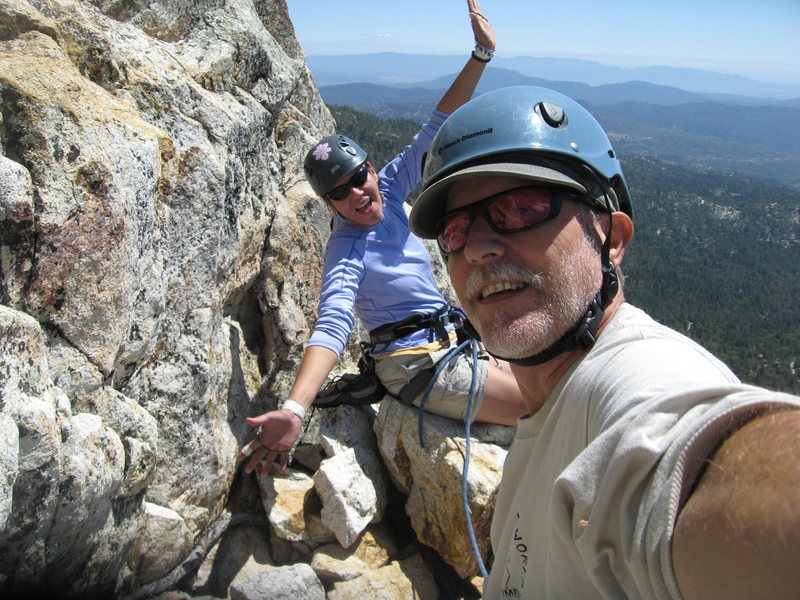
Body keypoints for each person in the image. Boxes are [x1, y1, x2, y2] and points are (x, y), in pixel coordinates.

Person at [407, 85, 800, 599]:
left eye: (522, 207)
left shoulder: (639, 379)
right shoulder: (548, 414)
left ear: (611, 239)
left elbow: (687, 453)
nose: (478, 246)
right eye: (456, 230)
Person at [238, 1, 525, 478]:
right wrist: (294, 408)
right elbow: (331, 327)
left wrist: (481, 54)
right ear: (329, 205)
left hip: (451, 340)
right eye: (339, 192)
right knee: (544, 403)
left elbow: (438, 126)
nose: (356, 193)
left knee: (555, 374)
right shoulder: (346, 249)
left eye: (358, 177)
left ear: (371, 169)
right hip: (415, 365)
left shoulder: (389, 190)